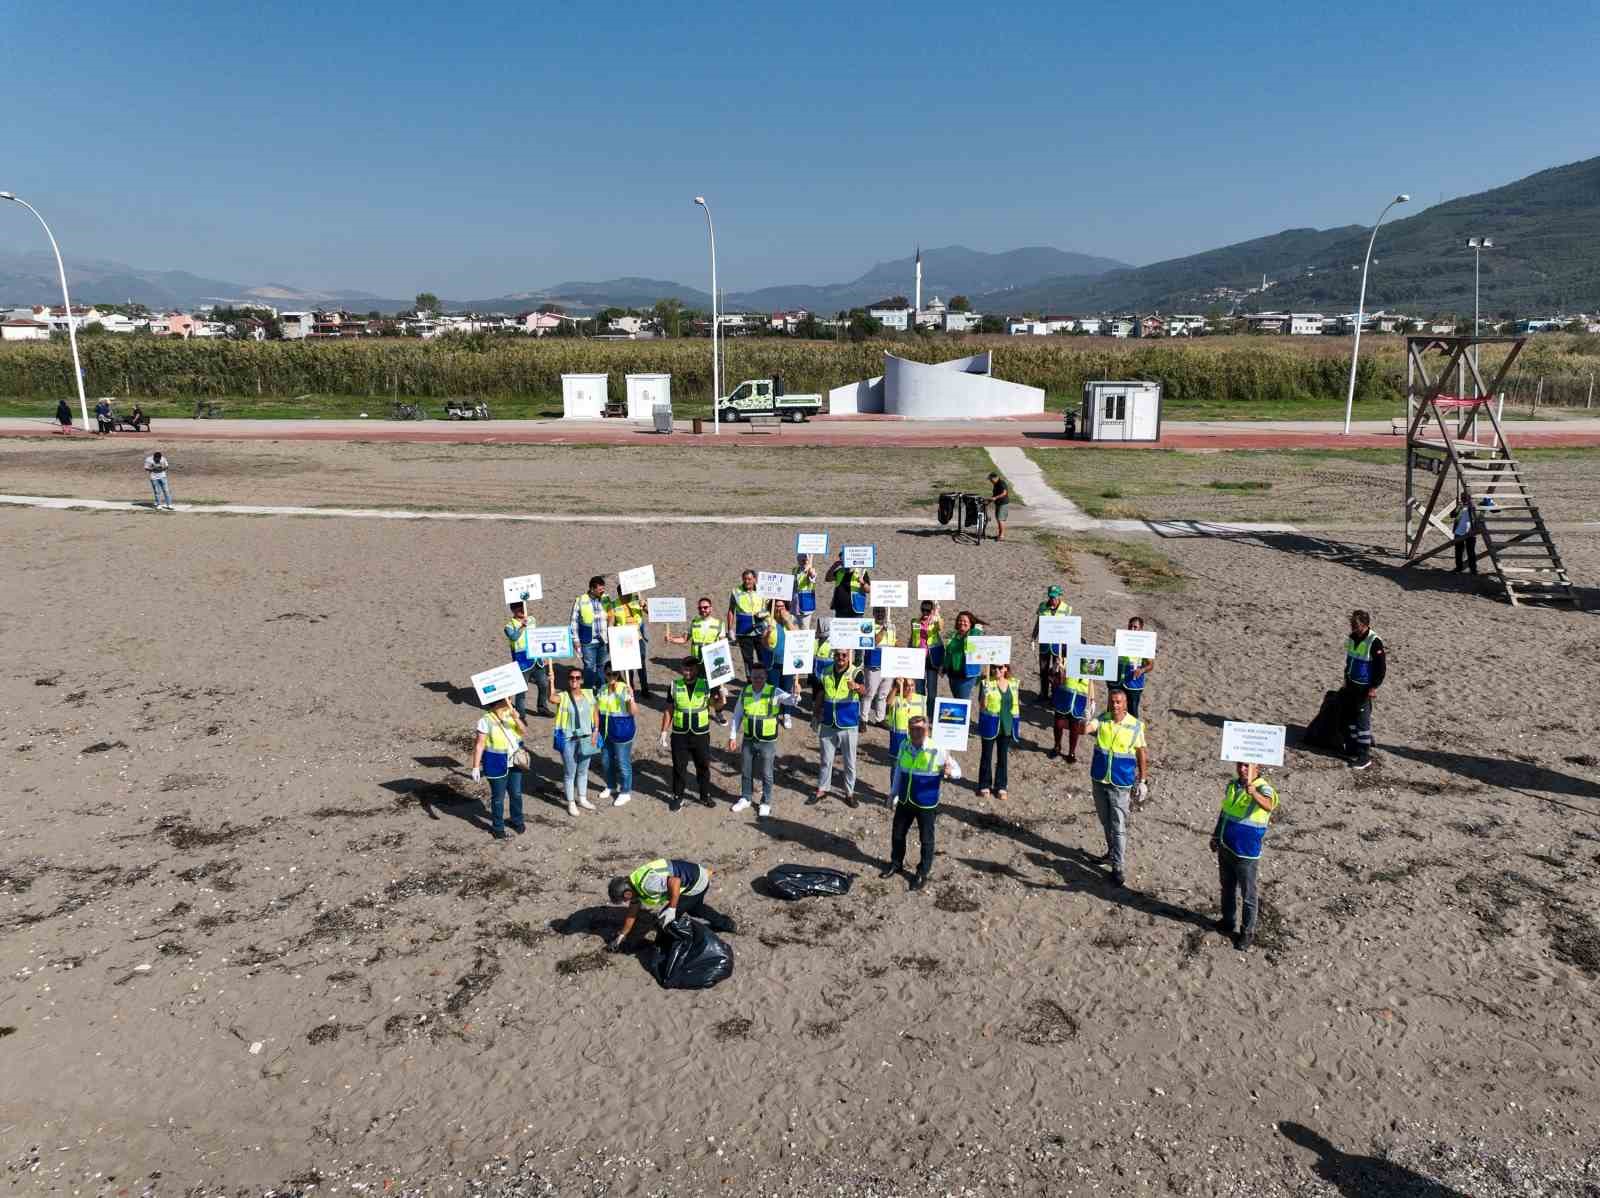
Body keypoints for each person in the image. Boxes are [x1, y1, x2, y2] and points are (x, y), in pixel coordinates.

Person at [878, 714, 958, 890]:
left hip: (926, 803)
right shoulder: (904, 744)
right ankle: (896, 863)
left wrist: (949, 771)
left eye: (920, 729)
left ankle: (922, 873)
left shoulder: (938, 749)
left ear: (927, 730)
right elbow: (899, 769)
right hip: (906, 799)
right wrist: (892, 793)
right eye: (912, 729)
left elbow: (958, 771)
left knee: (926, 839)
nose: (916, 733)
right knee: (897, 834)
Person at [1210, 761, 1280, 952]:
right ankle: (1228, 921)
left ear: (1257, 768)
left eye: (1247, 766)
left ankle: (1247, 932)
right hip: (1226, 846)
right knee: (1227, 887)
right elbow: (1224, 812)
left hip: (1246, 853)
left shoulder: (1264, 788)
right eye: (1240, 765)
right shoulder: (1232, 785)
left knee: (1248, 894)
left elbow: (1269, 805)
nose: (1242, 769)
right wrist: (1216, 835)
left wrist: (1254, 793)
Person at [1083, 688, 1148, 887]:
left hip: (1121, 782)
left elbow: (1141, 753)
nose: (1116, 705)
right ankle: (1111, 853)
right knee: (1105, 820)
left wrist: (1143, 780)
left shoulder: (1136, 726)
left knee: (1118, 825)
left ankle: (1118, 866)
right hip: (1100, 778)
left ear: (1126, 704)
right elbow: (1083, 730)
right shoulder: (1102, 719)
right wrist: (1083, 716)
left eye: (1119, 702)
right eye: (1113, 702)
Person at [606, 858, 735, 952]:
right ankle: (727, 924)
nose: (626, 902)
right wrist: (622, 935)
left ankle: (661, 948)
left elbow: (675, 881)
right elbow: (632, 913)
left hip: (695, 883)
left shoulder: (647, 883)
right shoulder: (634, 884)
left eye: (624, 900)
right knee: (696, 909)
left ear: (627, 894)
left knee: (664, 921)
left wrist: (672, 909)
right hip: (698, 877)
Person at [727, 662, 803, 816]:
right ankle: (746, 798)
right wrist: (732, 736)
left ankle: (766, 802)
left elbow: (791, 701)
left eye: (761, 676)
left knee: (767, 773)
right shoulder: (745, 692)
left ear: (766, 677)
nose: (758, 679)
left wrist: (796, 694)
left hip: (767, 742)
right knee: (746, 770)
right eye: (755, 677)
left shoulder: (774, 692)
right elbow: (737, 715)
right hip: (749, 739)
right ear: (751, 677)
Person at [660, 656, 720, 811]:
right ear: (681, 669)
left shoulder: (706, 685)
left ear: (696, 669)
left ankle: (704, 795)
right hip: (680, 734)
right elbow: (669, 709)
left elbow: (716, 704)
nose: (687, 672)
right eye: (685, 668)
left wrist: (722, 697)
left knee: (703, 766)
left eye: (691, 669)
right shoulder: (674, 685)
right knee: (679, 767)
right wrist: (664, 731)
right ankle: (677, 796)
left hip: (700, 733)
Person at [469, 696, 528, 840]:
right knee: (498, 798)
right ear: (498, 702)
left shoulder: (512, 714)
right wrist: (476, 766)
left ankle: (517, 820)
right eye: (506, 699)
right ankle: (497, 827)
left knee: (516, 793)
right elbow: (480, 744)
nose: (509, 700)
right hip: (495, 763)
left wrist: (517, 719)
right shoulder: (485, 721)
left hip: (515, 761)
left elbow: (523, 732)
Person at [813, 649, 865, 808]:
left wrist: (856, 687)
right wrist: (815, 713)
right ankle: (823, 789)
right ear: (833, 655)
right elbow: (821, 693)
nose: (840, 658)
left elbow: (865, 690)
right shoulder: (826, 671)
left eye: (843, 655)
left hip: (848, 723)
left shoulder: (856, 672)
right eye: (837, 655)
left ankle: (849, 793)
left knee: (850, 762)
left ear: (848, 656)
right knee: (825, 759)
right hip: (828, 722)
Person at [665, 597, 727, 722]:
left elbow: (722, 646)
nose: (703, 610)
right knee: (699, 688)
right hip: (696, 663)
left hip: (712, 662)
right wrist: (671, 639)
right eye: (700, 608)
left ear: (711, 608)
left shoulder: (719, 624)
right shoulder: (694, 622)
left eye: (705, 607)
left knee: (715, 691)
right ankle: (702, 710)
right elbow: (684, 639)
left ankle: (719, 712)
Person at [1339, 609, 1386, 771]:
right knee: (1350, 716)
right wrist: (1346, 678)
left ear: (1365, 625)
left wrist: (1373, 687)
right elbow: (1350, 659)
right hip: (1351, 683)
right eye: (1352, 624)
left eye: (1356, 625)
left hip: (1364, 687)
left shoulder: (1374, 641)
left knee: (1362, 720)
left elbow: (1381, 668)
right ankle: (1352, 748)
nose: (1353, 628)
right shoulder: (1353, 638)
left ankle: (1364, 755)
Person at [554, 669, 601, 817]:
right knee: (570, 772)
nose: (574, 680)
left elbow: (595, 713)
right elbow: (551, 698)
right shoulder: (563, 696)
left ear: (581, 680)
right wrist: (551, 681)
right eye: (571, 677)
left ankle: (582, 798)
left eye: (577, 677)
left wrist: (595, 731)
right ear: (568, 680)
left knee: (583, 770)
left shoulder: (588, 694)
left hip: (586, 737)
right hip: (568, 739)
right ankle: (571, 802)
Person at [976, 663, 1021, 800]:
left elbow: (1015, 704)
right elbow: (982, 705)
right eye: (994, 667)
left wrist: (1017, 724)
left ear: (1006, 668)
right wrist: (984, 694)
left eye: (1000, 668)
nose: (997, 670)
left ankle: (1001, 786)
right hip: (990, 723)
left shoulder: (1013, 683)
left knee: (1003, 757)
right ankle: (984, 784)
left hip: (1007, 724)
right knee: (986, 755)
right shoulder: (986, 683)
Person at [595, 668, 639, 808]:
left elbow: (633, 712)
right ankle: (611, 785)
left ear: (619, 674)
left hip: (622, 731)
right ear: (604, 674)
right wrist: (596, 729)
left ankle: (625, 792)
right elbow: (596, 710)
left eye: (614, 674)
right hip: (606, 731)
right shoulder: (602, 689)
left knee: (622, 762)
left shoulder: (625, 689)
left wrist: (631, 698)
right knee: (606, 761)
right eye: (608, 674)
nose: (611, 677)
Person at [503, 602, 554, 719]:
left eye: (523, 607)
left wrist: (543, 654)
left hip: (536, 658)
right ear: (513, 610)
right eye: (519, 608)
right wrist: (522, 626)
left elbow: (537, 636)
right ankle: (521, 715)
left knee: (544, 684)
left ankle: (542, 707)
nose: (522, 610)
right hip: (522, 661)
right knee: (521, 689)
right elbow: (513, 637)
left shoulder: (532, 619)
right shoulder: (509, 626)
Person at [885, 677, 926, 800]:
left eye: (912, 685)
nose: (910, 688)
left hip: (916, 740)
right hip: (898, 740)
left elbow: (925, 720)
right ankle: (894, 794)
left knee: (915, 768)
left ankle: (910, 794)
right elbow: (888, 702)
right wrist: (897, 687)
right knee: (896, 768)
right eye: (907, 685)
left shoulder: (921, 699)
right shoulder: (897, 699)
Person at [607, 585, 651, 697]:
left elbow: (651, 613)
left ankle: (645, 689)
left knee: (641, 663)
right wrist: (612, 639)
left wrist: (644, 605)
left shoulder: (637, 600)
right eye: (626, 594)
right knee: (628, 666)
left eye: (629, 593)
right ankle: (630, 687)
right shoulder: (613, 605)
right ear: (619, 594)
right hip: (624, 638)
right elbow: (611, 624)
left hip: (638, 636)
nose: (629, 596)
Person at [1031, 586, 1073, 702]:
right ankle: (1043, 694)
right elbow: (1038, 622)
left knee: (1057, 672)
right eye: (1050, 596)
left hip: (1058, 646)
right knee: (1043, 670)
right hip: (1044, 644)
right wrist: (1033, 637)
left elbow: (1070, 627)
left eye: (1054, 597)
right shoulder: (1043, 606)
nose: (1052, 599)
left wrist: (1068, 644)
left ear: (1059, 596)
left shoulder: (1066, 609)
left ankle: (1055, 696)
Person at [1048, 656, 1094, 762]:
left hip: (1079, 700)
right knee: (1058, 724)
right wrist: (1057, 665)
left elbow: (1091, 683)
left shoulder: (1090, 664)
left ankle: (1071, 753)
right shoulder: (1065, 660)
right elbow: (1053, 673)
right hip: (1064, 697)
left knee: (1074, 727)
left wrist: (1092, 700)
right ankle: (1057, 746)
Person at [726, 570, 768, 685]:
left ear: (755, 579)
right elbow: (731, 610)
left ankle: (764, 679)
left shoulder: (763, 590)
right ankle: (750, 680)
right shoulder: (736, 592)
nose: (747, 581)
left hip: (761, 630)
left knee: (763, 657)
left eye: (749, 579)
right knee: (747, 659)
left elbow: (769, 607)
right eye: (745, 579)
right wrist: (730, 629)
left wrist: (765, 615)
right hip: (744, 631)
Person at [763, 599, 800, 727]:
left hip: (789, 661)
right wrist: (767, 632)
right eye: (777, 606)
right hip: (773, 661)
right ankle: (774, 712)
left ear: (786, 607)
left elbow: (798, 636)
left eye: (782, 606)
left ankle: (787, 714)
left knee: (787, 688)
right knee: (774, 688)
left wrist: (787, 620)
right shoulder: (768, 621)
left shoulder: (792, 618)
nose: (779, 609)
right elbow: (765, 644)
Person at [569, 576, 610, 689]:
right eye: (600, 589)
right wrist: (575, 640)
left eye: (603, 588)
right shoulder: (581, 600)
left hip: (604, 640)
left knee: (601, 666)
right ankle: (588, 691)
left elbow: (611, 615)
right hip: (588, 641)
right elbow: (574, 622)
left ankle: (601, 690)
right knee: (589, 667)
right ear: (592, 589)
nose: (603, 591)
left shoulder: (606, 598)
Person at [863, 606, 898, 724]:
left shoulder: (892, 627)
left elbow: (894, 643)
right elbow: (873, 641)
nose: (880, 614)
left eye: (882, 611)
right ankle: (863, 719)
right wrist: (883, 629)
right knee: (869, 694)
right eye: (877, 611)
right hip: (874, 665)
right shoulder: (869, 626)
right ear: (873, 613)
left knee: (883, 694)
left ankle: (880, 719)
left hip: (889, 665)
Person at [1115, 615, 1155, 717]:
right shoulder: (1120, 639)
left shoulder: (1146, 643)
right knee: (1114, 709)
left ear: (1141, 629)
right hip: (1118, 681)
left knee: (1132, 712)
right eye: (1130, 626)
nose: (1132, 629)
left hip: (1134, 683)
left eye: (1135, 627)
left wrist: (1142, 670)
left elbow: (1151, 665)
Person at [941, 610, 985, 701]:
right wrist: (944, 667)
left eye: (965, 621)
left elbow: (975, 640)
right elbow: (948, 653)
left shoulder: (973, 634)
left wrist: (976, 628)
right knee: (957, 700)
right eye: (960, 620)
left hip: (966, 675)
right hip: (953, 675)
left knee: (962, 701)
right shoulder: (953, 635)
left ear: (970, 623)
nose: (962, 623)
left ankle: (966, 716)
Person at [908, 600, 944, 704]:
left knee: (932, 690)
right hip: (918, 659)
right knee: (919, 690)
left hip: (932, 659)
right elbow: (911, 639)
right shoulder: (914, 621)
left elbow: (941, 626)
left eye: (928, 610)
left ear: (932, 611)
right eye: (923, 610)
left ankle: (931, 714)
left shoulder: (936, 622)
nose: (925, 612)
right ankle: (921, 713)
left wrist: (936, 615)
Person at [826, 553, 871, 619]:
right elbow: (828, 578)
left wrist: (863, 583)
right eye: (841, 559)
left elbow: (868, 590)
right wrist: (833, 566)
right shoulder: (839, 571)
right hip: (840, 609)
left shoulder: (861, 571)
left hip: (856, 609)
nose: (842, 561)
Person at [793, 553, 818, 629]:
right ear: (798, 561)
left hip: (805, 606)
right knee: (794, 629)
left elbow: (812, 576)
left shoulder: (811, 570)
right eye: (803, 560)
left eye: (806, 560)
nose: (805, 562)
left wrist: (812, 574)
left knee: (804, 629)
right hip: (794, 606)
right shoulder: (795, 570)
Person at [987, 470, 1011, 541]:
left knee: (1001, 519)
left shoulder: (1001, 483)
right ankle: (1000, 534)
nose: (990, 481)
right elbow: (994, 495)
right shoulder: (996, 484)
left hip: (1003, 504)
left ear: (995, 478)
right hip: (998, 503)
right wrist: (989, 501)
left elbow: (1004, 493)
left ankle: (1001, 536)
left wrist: (995, 498)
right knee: (998, 519)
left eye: (991, 479)